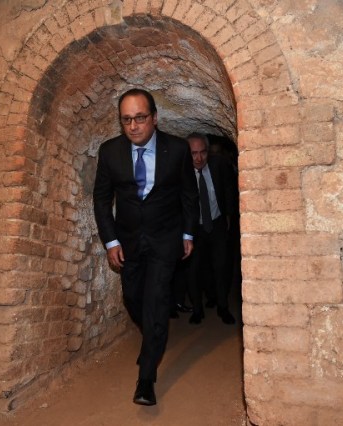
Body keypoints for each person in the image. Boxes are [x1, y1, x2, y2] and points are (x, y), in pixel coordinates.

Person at [93, 88, 199, 406]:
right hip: (128, 242)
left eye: (140, 118)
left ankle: (146, 378)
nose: (134, 126)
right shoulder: (110, 152)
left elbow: (188, 196)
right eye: (126, 120)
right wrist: (110, 240)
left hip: (165, 240)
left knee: (155, 301)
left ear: (154, 117)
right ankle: (152, 335)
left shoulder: (178, 150)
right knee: (133, 298)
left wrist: (188, 234)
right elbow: (101, 199)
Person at [185, 132, 236, 325]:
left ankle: (223, 307)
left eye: (203, 153)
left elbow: (229, 190)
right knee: (193, 270)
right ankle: (197, 309)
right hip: (193, 228)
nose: (199, 158)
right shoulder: (181, 171)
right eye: (193, 153)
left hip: (217, 224)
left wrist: (229, 215)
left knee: (221, 267)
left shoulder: (219, 165)